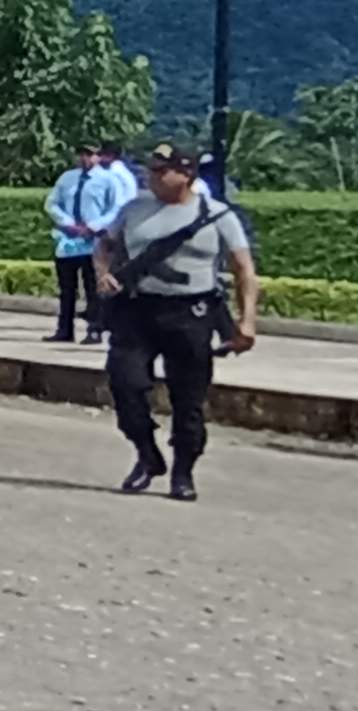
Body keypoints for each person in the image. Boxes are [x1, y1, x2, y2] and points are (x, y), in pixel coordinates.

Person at [95, 144, 260, 502]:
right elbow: (105, 245)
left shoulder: (217, 215)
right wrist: (103, 274)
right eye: (151, 170)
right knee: (125, 385)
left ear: (185, 175)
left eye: (160, 171)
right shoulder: (134, 209)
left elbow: (243, 269)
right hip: (138, 310)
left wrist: (247, 322)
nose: (151, 177)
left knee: (188, 401)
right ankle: (147, 453)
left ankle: (183, 472)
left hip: (191, 315)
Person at [45, 146, 133, 345]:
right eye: (83, 154)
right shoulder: (67, 178)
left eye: (91, 154)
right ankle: (64, 329)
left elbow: (117, 208)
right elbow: (52, 203)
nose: (86, 158)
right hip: (68, 240)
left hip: (94, 241)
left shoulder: (108, 180)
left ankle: (95, 329)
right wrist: (68, 223)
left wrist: (95, 226)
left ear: (99, 157)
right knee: (67, 289)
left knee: (93, 288)